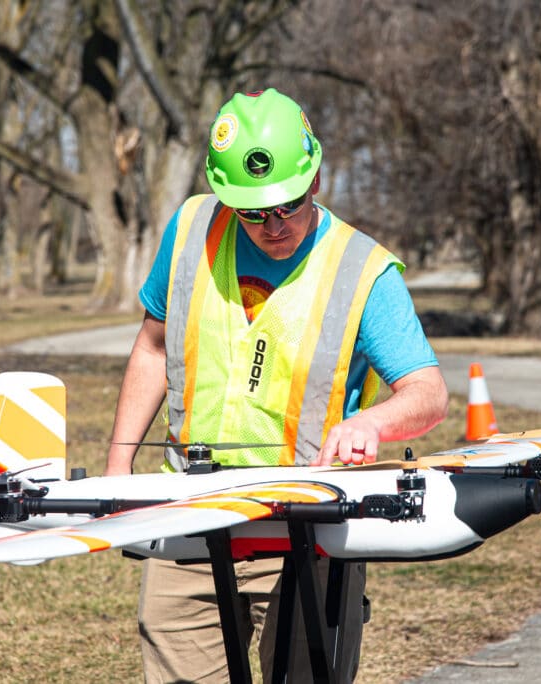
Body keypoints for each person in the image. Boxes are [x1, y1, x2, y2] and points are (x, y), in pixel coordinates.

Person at [104, 88, 448, 683]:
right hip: (189, 513)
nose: (272, 225)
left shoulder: (362, 270)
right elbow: (153, 345)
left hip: (305, 530)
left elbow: (428, 393)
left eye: (286, 205)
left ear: (315, 179)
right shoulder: (190, 229)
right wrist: (117, 467)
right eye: (252, 211)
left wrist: (370, 423)